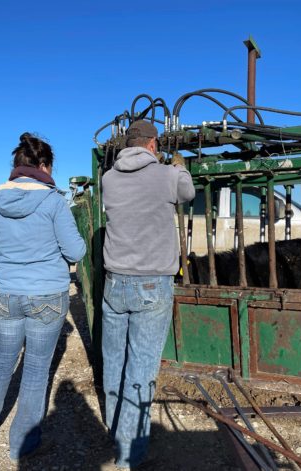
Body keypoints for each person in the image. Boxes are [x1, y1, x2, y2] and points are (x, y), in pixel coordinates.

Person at [0, 132, 86, 461]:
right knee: (34, 370)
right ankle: (22, 445)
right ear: (44, 166)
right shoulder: (53, 202)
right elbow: (76, 250)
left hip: (6, 294)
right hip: (47, 294)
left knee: (0, 365)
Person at [101, 120, 195, 469]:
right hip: (152, 283)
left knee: (114, 360)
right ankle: (129, 454)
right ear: (153, 144)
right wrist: (180, 165)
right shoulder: (167, 176)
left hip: (115, 283)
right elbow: (188, 194)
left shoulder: (108, 179)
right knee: (141, 368)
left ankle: (115, 429)